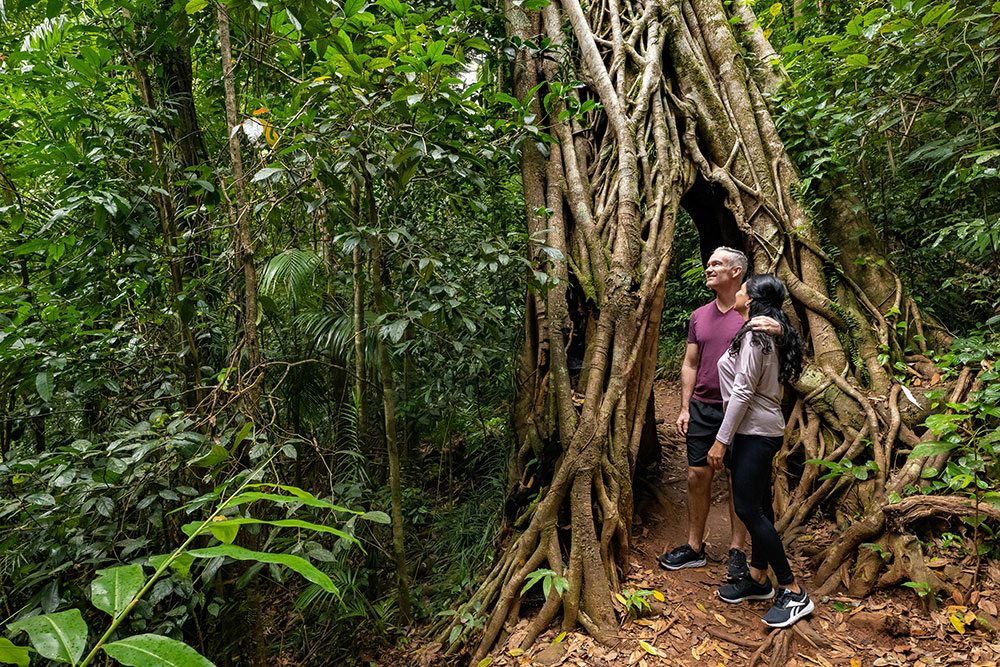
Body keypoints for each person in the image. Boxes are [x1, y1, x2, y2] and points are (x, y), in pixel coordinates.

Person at [658, 247, 780, 585]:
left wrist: (780, 330)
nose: (708, 268)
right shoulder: (699, 316)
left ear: (737, 272)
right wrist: (684, 407)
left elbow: (780, 347)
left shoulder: (752, 317)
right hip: (703, 405)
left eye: (716, 264)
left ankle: (737, 551)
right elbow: (690, 363)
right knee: (697, 475)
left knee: (735, 480)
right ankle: (694, 546)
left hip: (738, 413)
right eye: (708, 263)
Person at [707, 273, 813, 628]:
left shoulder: (756, 335)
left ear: (750, 299)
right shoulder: (764, 331)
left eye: (741, 290)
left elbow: (742, 391)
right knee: (761, 507)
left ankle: (793, 591)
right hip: (755, 429)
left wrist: (721, 440)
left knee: (748, 510)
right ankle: (757, 578)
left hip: (753, 431)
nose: (737, 294)